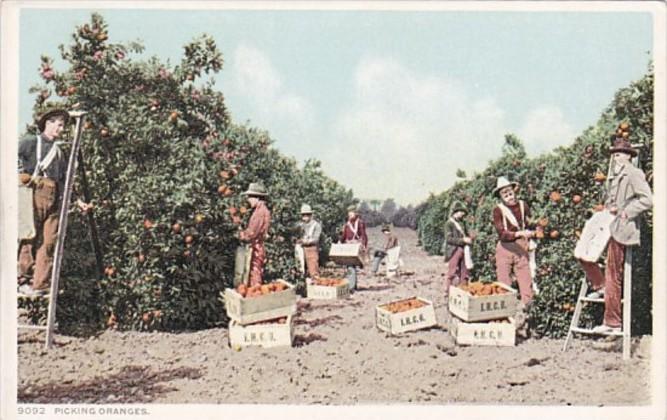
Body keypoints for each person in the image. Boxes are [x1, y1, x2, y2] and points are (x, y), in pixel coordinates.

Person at [577, 136, 652, 334]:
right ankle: (600, 286)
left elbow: (647, 200)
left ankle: (612, 322)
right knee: (582, 252)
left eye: (619, 154)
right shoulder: (616, 176)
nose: (616, 157)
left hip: (622, 227)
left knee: (613, 271)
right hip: (609, 223)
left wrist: (628, 211)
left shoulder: (634, 173)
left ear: (628, 156)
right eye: (615, 154)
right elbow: (614, 201)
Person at [17, 108, 71, 297]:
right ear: (47, 123)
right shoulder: (31, 141)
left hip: (54, 196)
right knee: (29, 236)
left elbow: (64, 179)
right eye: (57, 123)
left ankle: (40, 283)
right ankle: (23, 280)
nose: (60, 128)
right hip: (34, 192)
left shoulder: (59, 152)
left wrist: (73, 200)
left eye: (63, 125)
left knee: (49, 242)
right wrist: (19, 177)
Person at [492, 176, 535, 305]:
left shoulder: (523, 205)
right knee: (504, 282)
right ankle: (505, 312)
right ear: (500, 195)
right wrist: (519, 233)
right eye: (504, 192)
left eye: (509, 191)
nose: (508, 194)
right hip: (505, 249)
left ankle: (528, 311)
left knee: (525, 279)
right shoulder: (498, 210)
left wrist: (535, 229)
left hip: (521, 248)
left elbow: (529, 223)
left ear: (514, 190)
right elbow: (502, 234)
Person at [239, 182, 271, 286]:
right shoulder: (261, 210)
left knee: (254, 274)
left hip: (256, 247)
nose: (248, 200)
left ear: (257, 197)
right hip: (258, 246)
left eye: (250, 197)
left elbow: (252, 232)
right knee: (255, 272)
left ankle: (255, 298)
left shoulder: (260, 212)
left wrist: (241, 235)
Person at [443, 201, 473, 299]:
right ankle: (448, 292)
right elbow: (449, 239)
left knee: (464, 272)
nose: (463, 214)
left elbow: (467, 234)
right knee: (452, 272)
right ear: (456, 212)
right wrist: (463, 240)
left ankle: (463, 291)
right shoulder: (449, 224)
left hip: (464, 249)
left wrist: (470, 237)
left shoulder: (462, 223)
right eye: (461, 212)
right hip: (454, 250)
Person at [339, 204, 368, 291]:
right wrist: (340, 242)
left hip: (355, 245)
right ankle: (352, 285)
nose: (350, 215)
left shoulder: (360, 223)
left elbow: (363, 235)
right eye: (349, 213)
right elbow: (344, 235)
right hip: (348, 245)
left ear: (356, 213)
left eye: (352, 213)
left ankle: (351, 286)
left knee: (352, 265)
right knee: (349, 265)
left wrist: (364, 245)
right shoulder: (347, 224)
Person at [296, 204, 322, 278]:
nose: (304, 217)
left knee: (313, 270)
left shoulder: (316, 225)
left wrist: (305, 241)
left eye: (306, 215)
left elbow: (316, 239)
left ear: (310, 215)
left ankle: (316, 287)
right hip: (302, 249)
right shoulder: (301, 225)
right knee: (301, 270)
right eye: (303, 215)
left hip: (311, 249)